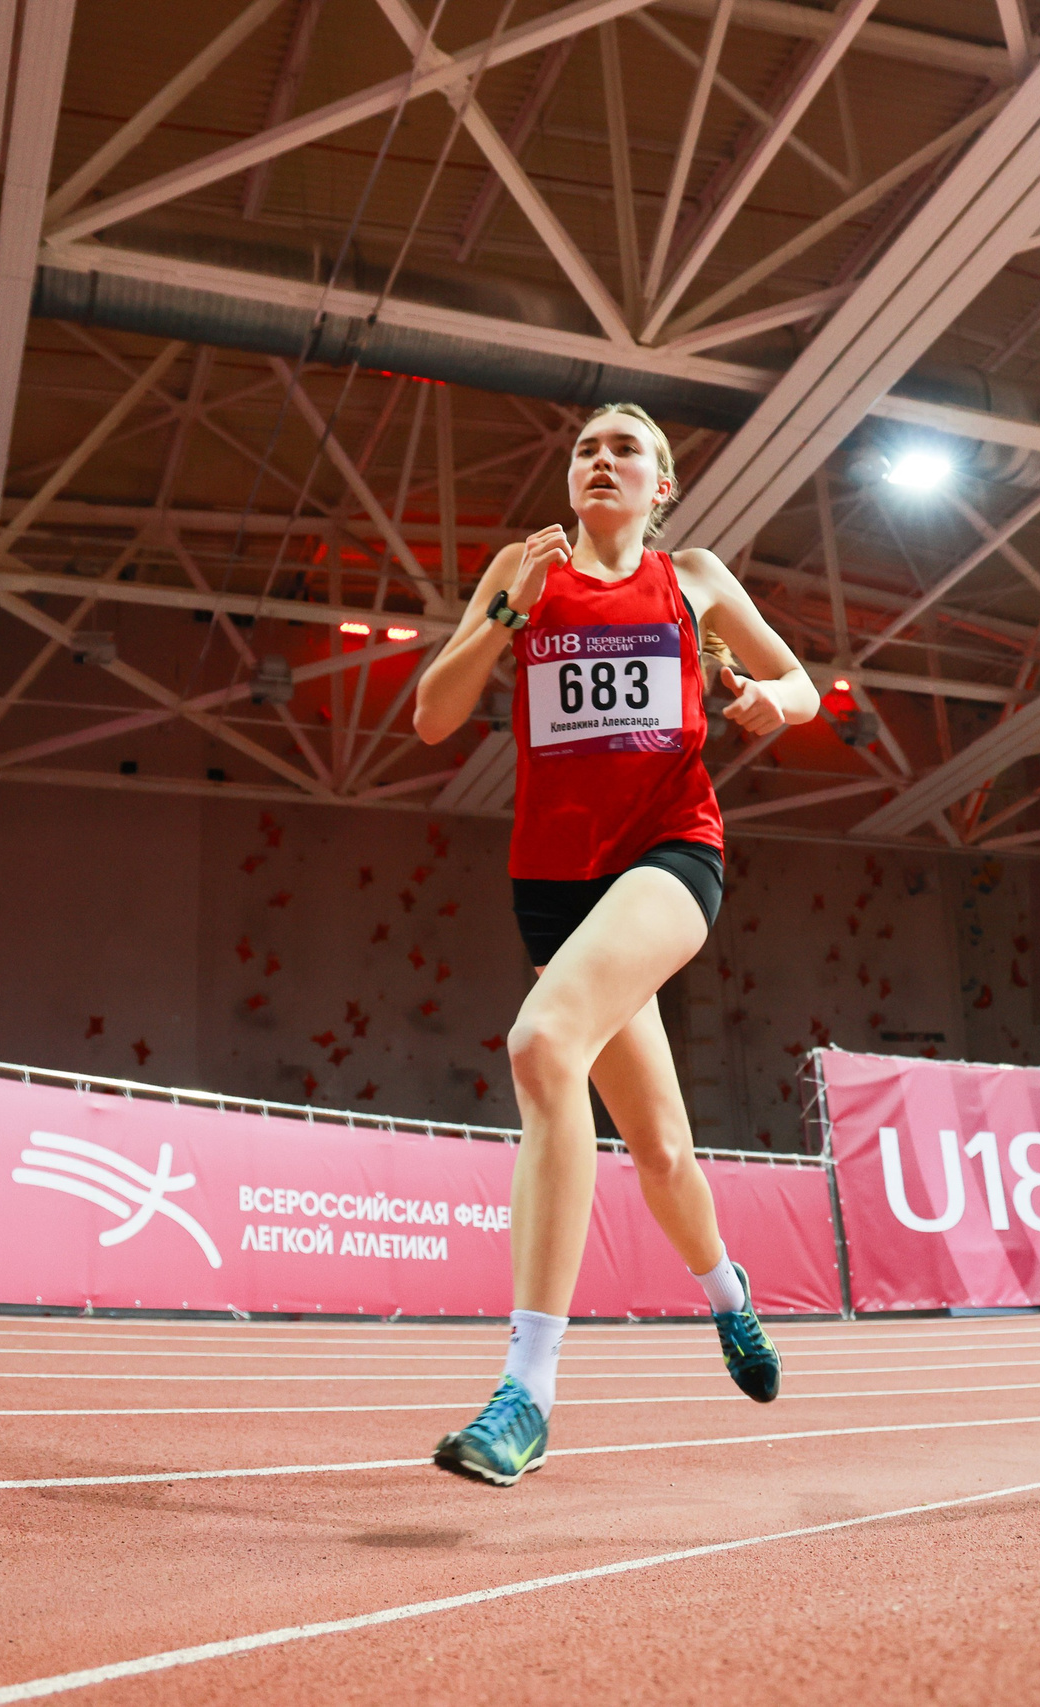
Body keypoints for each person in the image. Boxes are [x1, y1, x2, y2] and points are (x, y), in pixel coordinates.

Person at [411, 402, 820, 1486]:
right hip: (554, 890)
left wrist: (770, 702)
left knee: (542, 1044)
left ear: (660, 484)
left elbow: (802, 683)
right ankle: (730, 1297)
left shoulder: (694, 577)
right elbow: (433, 717)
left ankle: (527, 1392)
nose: (602, 460)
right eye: (586, 449)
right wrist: (503, 614)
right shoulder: (525, 571)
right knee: (662, 1152)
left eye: (625, 449)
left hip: (671, 855)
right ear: (571, 481)